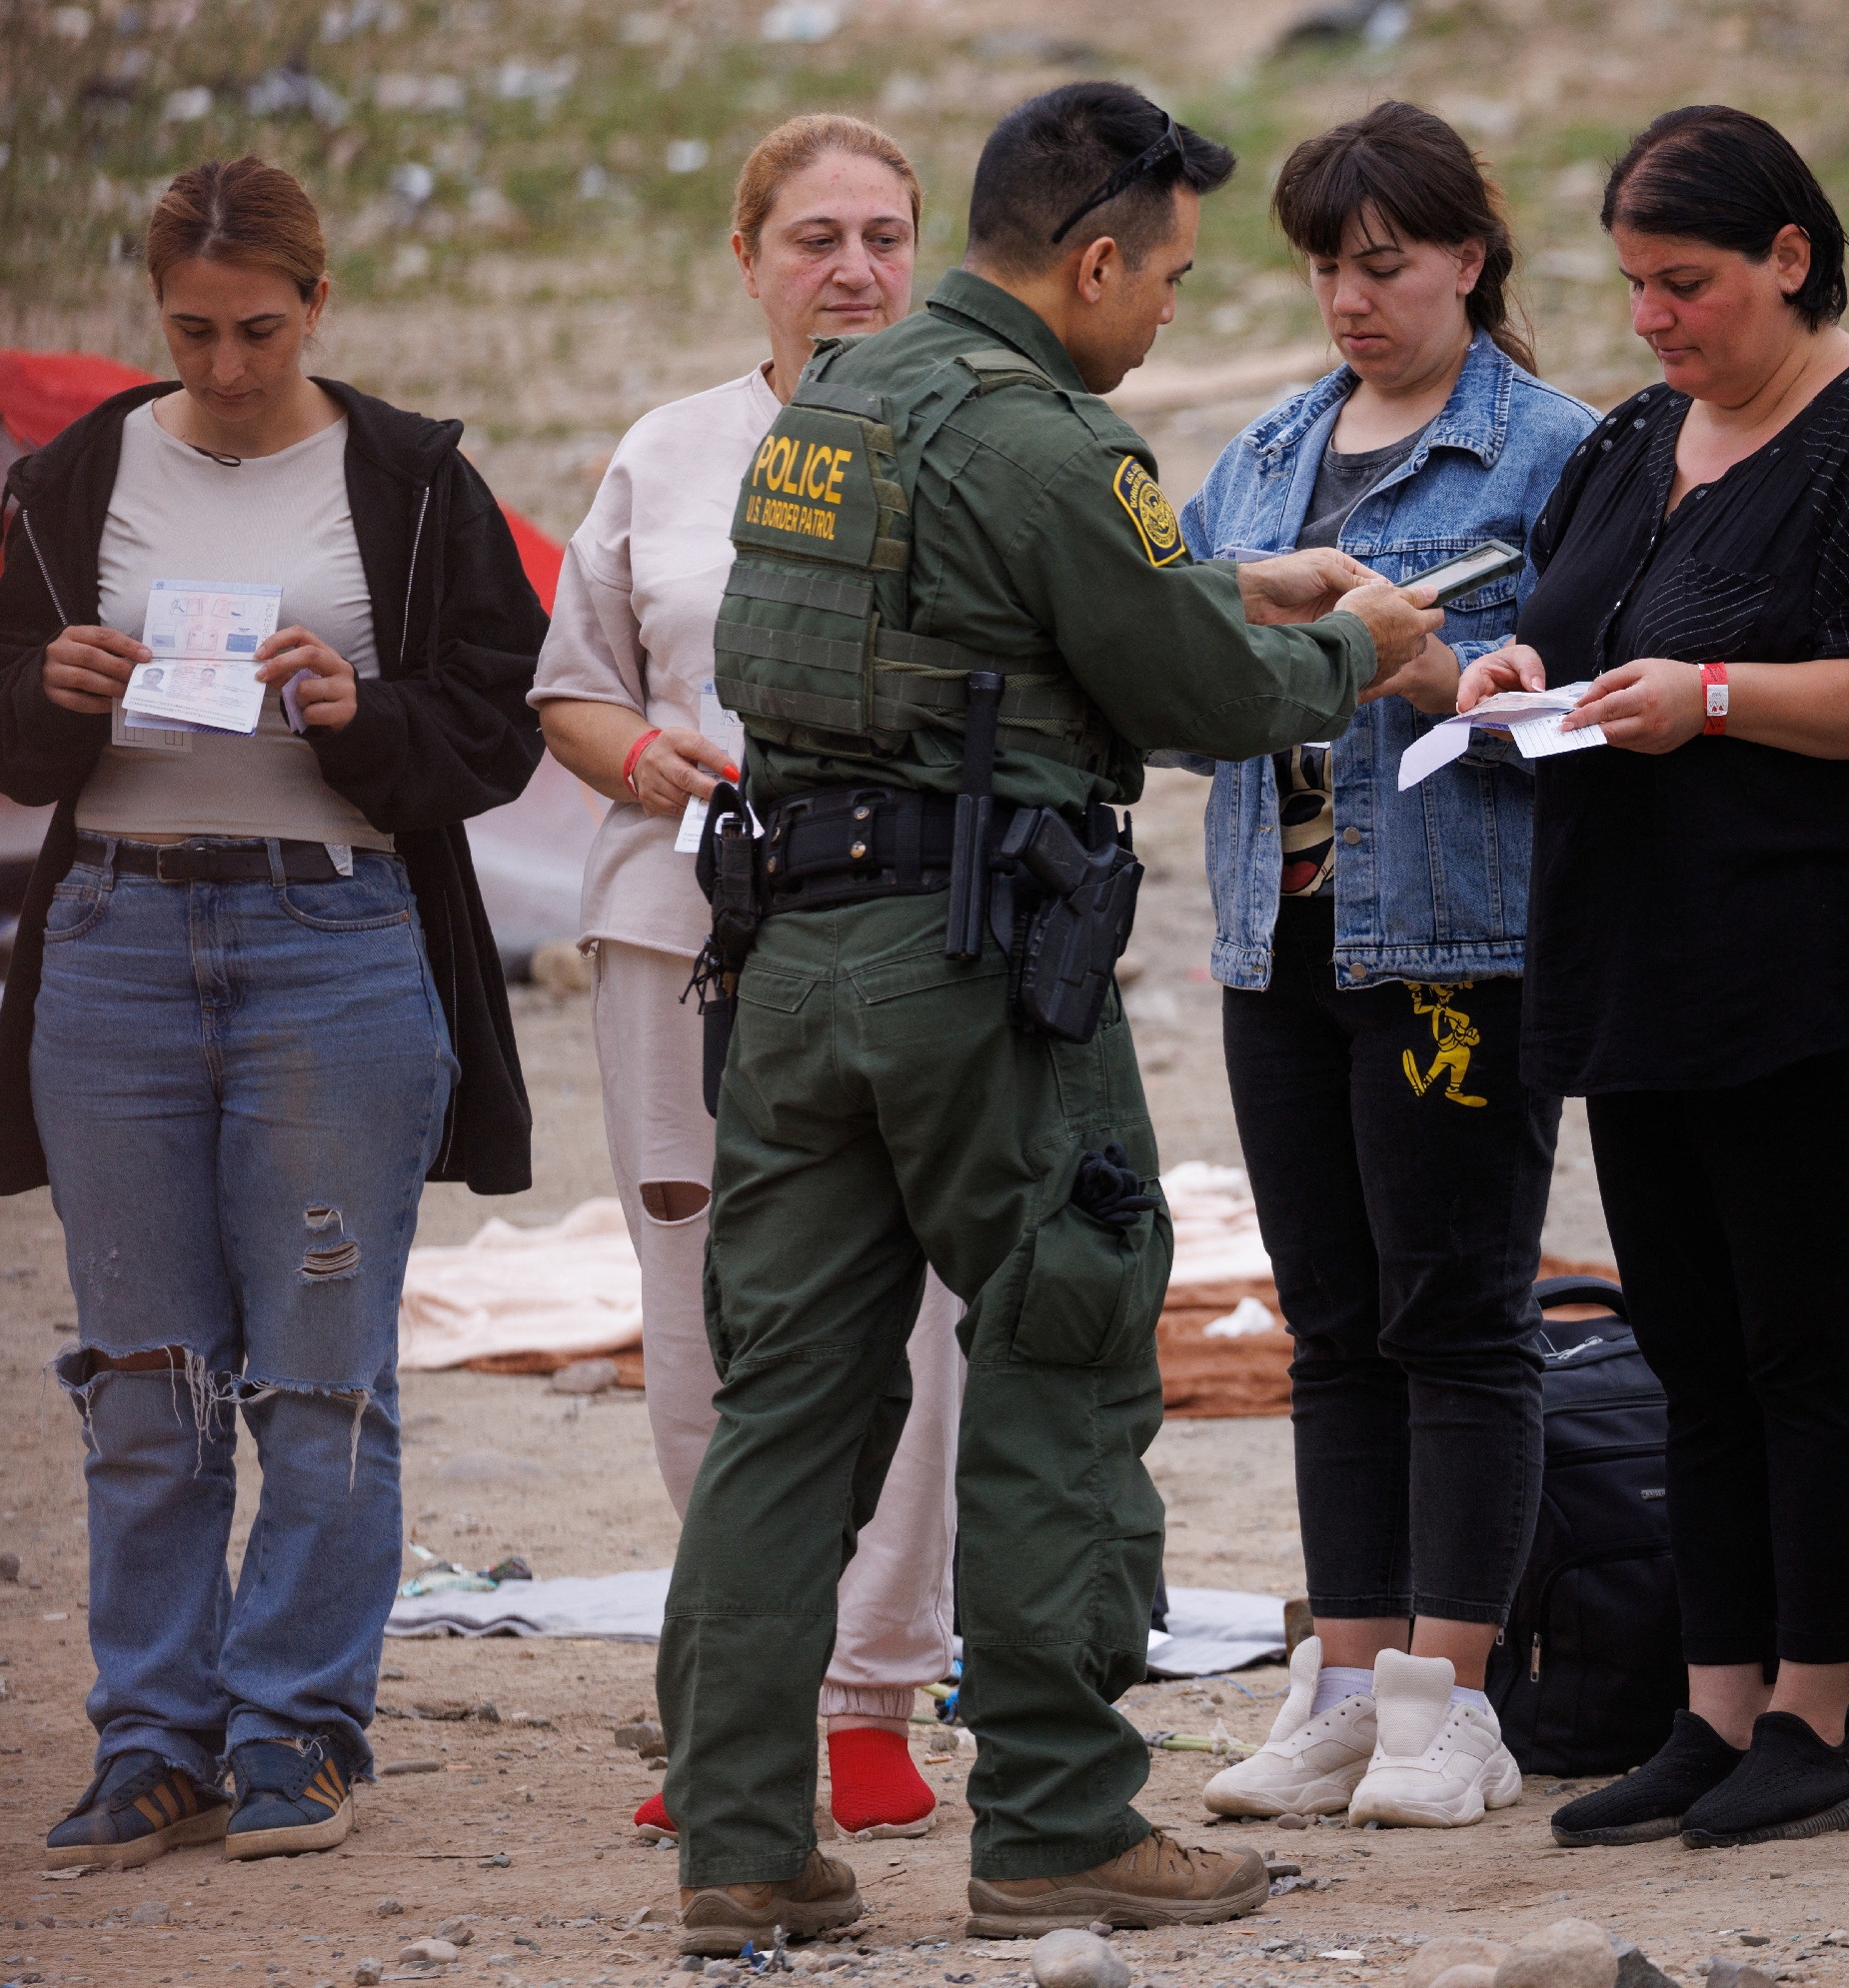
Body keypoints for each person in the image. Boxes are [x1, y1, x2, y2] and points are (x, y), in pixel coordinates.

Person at [652, 81, 1444, 1957]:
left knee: (787, 1406)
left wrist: (1220, 580)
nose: (1169, 306)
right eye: (1164, 273)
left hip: (793, 963)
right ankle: (1062, 1828)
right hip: (979, 969)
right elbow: (1185, 687)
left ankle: (743, 1848)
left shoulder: (834, 404)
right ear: (1090, 258)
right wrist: (1360, 647)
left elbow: (971, 620)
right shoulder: (1042, 439)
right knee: (1062, 1360)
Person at [0, 157, 545, 1870]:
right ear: (155, 316)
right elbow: (2, 731)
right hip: (118, 939)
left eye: (258, 331)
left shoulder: (413, 477)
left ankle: (297, 1721)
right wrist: (56, 697)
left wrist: (360, 713)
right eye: (191, 332)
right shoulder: (75, 474)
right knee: (141, 1372)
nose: (222, 366)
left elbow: (493, 728)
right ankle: (154, 1737)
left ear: (320, 303)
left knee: (316, 1372)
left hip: (332, 937)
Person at [1454, 105, 1849, 1851]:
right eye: (1631, 283)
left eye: (1684, 282)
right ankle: (1711, 1714)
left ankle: (1819, 1720)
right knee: (1691, 1345)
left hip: (1834, 975)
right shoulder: (1635, 437)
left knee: (1812, 1344)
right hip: (1651, 965)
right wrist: (1521, 671)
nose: (1652, 318)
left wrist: (1711, 697)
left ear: (1791, 255)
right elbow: (1590, 622)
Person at [531, 113, 966, 1848]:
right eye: (814, 238)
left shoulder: (963, 441)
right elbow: (574, 687)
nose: (852, 269)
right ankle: (736, 1697)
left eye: (883, 234)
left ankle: (872, 1699)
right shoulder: (668, 450)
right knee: (700, 1306)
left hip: (904, 932)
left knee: (905, 1314)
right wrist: (641, 759)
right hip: (682, 928)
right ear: (747, 257)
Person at [1174, 103, 1595, 1832]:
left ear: (1469, 261)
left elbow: (1588, 699)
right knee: (1331, 1323)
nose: (1352, 301)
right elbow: (1173, 654)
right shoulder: (1267, 451)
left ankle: (1452, 1698)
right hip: (1273, 936)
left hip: (1452, 941)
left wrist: (1425, 671)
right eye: (1327, 269)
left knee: (1461, 1311)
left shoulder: (1562, 448)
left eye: (1386, 265)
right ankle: (1341, 1686)